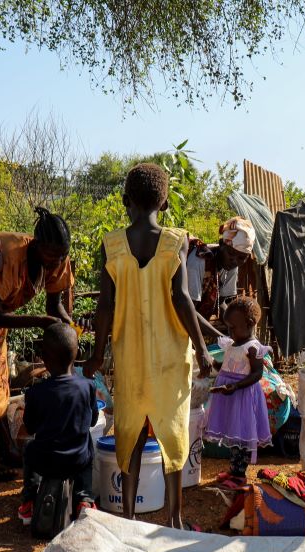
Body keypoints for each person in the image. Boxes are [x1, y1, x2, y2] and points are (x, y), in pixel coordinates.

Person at [84, 163, 213, 529]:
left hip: (129, 356)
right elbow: (181, 298)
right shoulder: (176, 241)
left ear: (126, 201)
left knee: (131, 434)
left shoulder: (112, 245)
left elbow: (104, 307)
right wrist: (203, 350)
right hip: (171, 357)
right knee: (173, 434)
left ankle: (126, 518)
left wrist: (97, 354)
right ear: (166, 201)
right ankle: (174, 519)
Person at [0, 207, 75, 474]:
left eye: (62, 256)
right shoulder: (10, 254)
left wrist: (68, 329)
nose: (56, 262)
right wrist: (39, 321)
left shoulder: (58, 258)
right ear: (37, 243)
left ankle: (5, 448)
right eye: (51, 256)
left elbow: (55, 307)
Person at [17, 323, 98, 526]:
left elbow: (31, 426)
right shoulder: (87, 386)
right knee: (87, 443)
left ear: (44, 358)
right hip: (76, 460)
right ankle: (84, 499)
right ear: (77, 353)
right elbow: (93, 421)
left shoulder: (35, 393)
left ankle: (29, 501)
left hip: (45, 461)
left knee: (29, 447)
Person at [204, 297, 273, 488]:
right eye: (228, 328)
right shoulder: (232, 344)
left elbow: (257, 373)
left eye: (233, 327)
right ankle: (233, 471)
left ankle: (240, 475)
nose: (230, 331)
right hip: (229, 397)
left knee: (241, 435)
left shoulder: (253, 347)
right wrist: (213, 363)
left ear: (249, 324)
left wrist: (236, 386)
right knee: (233, 435)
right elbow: (226, 367)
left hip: (242, 396)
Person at [186, 217, 254, 338]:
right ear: (222, 244)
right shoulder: (198, 261)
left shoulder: (231, 266)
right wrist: (221, 337)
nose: (234, 261)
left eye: (241, 258)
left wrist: (238, 331)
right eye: (231, 254)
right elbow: (189, 311)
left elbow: (221, 301)